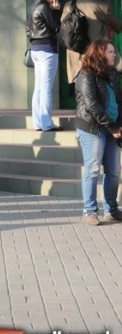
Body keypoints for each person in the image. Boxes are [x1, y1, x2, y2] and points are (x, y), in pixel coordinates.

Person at [74, 39, 122, 226]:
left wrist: (118, 125)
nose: (114, 55)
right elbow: (92, 105)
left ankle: (111, 210)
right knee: (93, 168)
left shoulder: (111, 74)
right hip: (92, 128)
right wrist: (112, 127)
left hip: (112, 128)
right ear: (100, 53)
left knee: (114, 170)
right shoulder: (86, 75)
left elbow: (119, 101)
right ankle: (89, 211)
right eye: (110, 51)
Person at [64, 0, 122, 84]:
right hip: (96, 51)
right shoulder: (102, 6)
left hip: (76, 51)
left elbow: (63, 25)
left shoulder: (68, 6)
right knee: (99, 85)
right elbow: (118, 26)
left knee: (81, 87)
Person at [28, 0, 63, 131]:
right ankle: (47, 123)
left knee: (38, 88)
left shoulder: (31, 7)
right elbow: (56, 27)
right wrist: (56, 10)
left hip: (35, 49)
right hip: (47, 49)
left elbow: (28, 30)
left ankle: (38, 123)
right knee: (46, 88)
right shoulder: (44, 7)